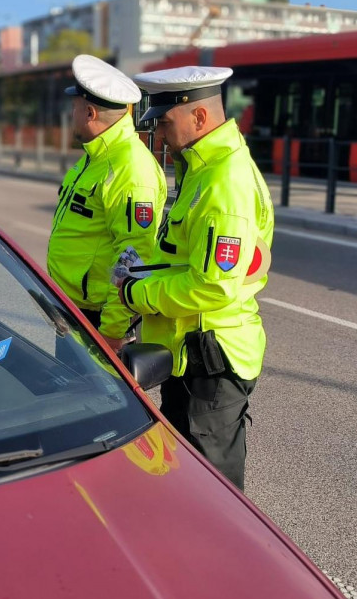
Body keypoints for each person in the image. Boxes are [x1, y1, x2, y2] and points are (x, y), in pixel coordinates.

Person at [118, 66, 275, 491]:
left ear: (199, 118)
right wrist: (144, 270)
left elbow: (213, 285)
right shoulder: (203, 170)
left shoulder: (223, 182)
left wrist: (137, 292)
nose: (161, 136)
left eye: (166, 123)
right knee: (185, 477)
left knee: (212, 491)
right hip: (192, 353)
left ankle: (223, 560)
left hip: (211, 360)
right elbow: (188, 260)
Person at [48, 54, 167, 351]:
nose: (71, 116)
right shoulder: (96, 156)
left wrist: (112, 331)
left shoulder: (129, 167)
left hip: (98, 320)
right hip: (74, 309)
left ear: (89, 112)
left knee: (91, 397)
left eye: (74, 108)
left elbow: (136, 254)